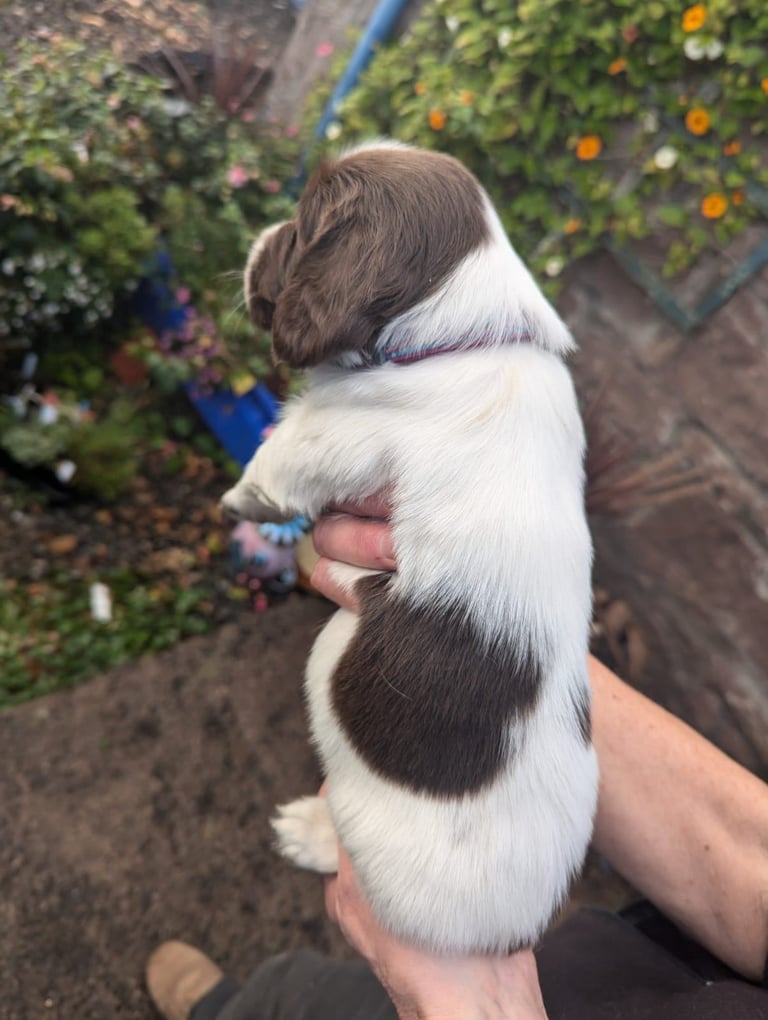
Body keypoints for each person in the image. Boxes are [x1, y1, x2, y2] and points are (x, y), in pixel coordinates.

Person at [146, 501, 768, 1020]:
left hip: (482, 991)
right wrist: (509, 654)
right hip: (620, 965)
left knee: (302, 999)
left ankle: (229, 1008)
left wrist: (465, 1004)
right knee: (305, 991)